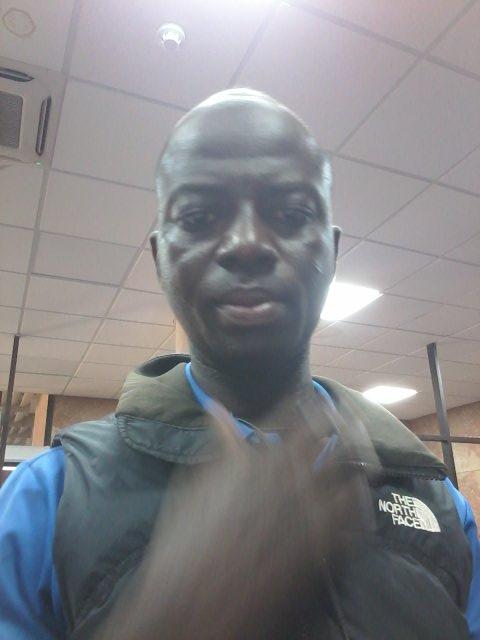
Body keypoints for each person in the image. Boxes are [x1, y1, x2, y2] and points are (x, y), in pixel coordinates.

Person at [0, 89, 479, 639]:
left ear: (331, 252)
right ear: (159, 258)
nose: (247, 244)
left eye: (292, 214)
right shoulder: (48, 501)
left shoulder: (439, 503)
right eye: (199, 216)